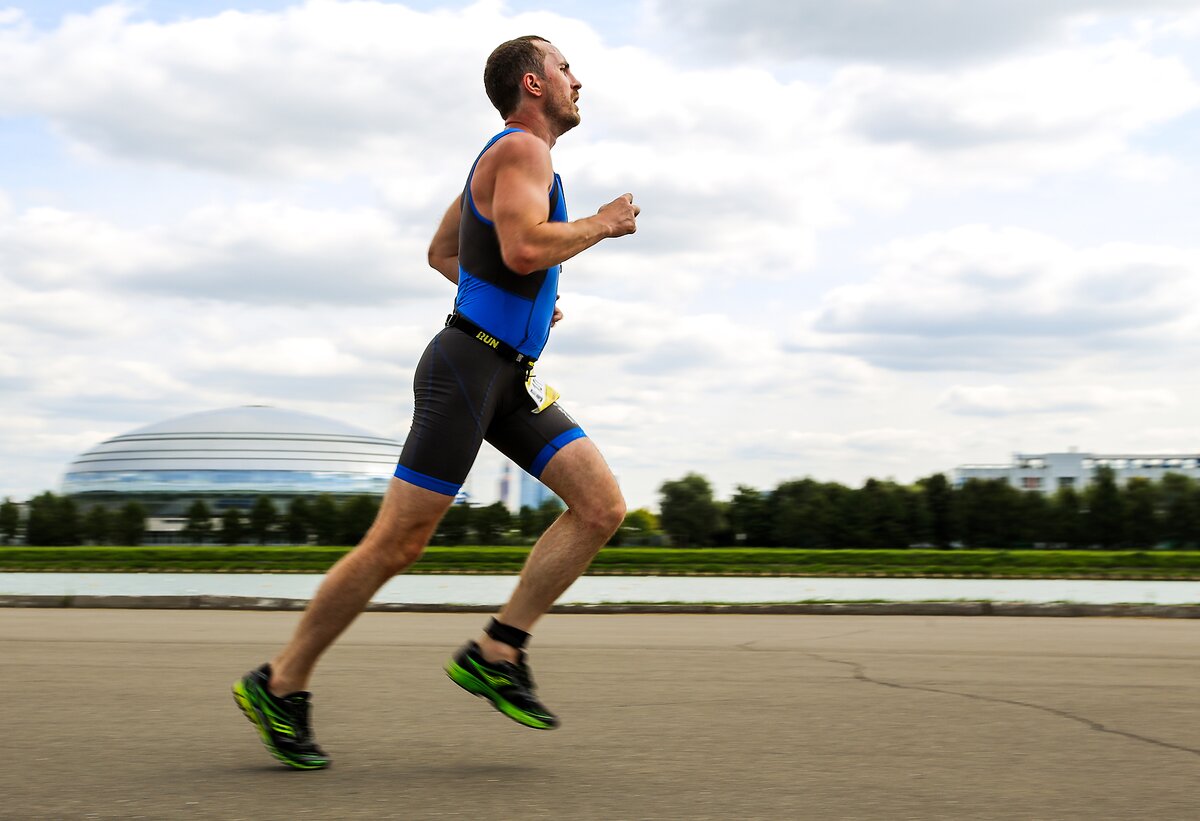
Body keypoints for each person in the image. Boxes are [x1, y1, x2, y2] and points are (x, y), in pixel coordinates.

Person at [232, 35, 640, 770]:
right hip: (464, 369)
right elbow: (519, 250)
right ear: (533, 84)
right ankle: (279, 681)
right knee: (398, 543)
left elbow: (447, 252)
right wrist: (601, 226)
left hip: (508, 376)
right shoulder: (521, 151)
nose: (580, 79)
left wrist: (518, 310)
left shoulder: (502, 160)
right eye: (566, 68)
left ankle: (497, 648)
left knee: (601, 506)